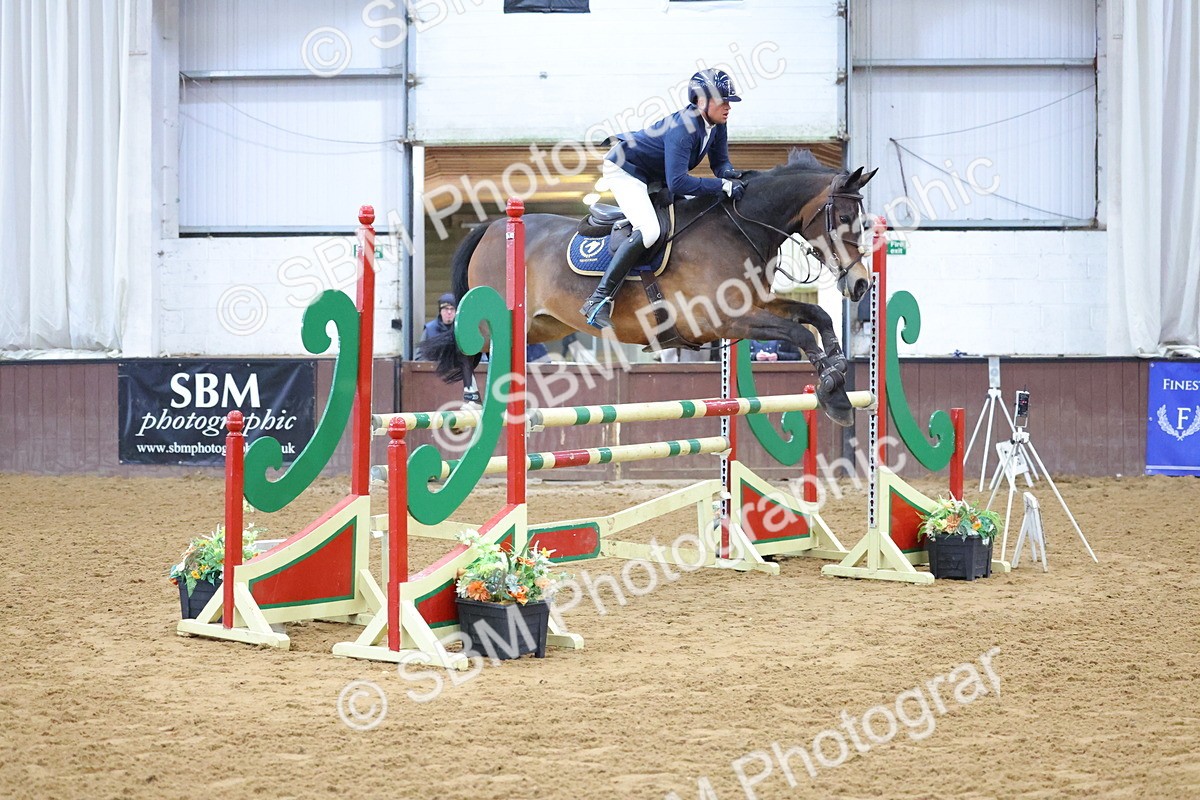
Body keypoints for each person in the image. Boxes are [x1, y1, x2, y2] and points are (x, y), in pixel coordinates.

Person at [579, 68, 746, 331]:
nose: (728, 107)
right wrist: (722, 185)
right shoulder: (683, 128)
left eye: (729, 102)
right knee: (650, 231)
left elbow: (720, 162)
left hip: (655, 175)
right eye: (722, 101)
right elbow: (679, 182)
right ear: (701, 101)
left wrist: (730, 176)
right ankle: (599, 299)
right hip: (626, 169)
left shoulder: (716, 124)